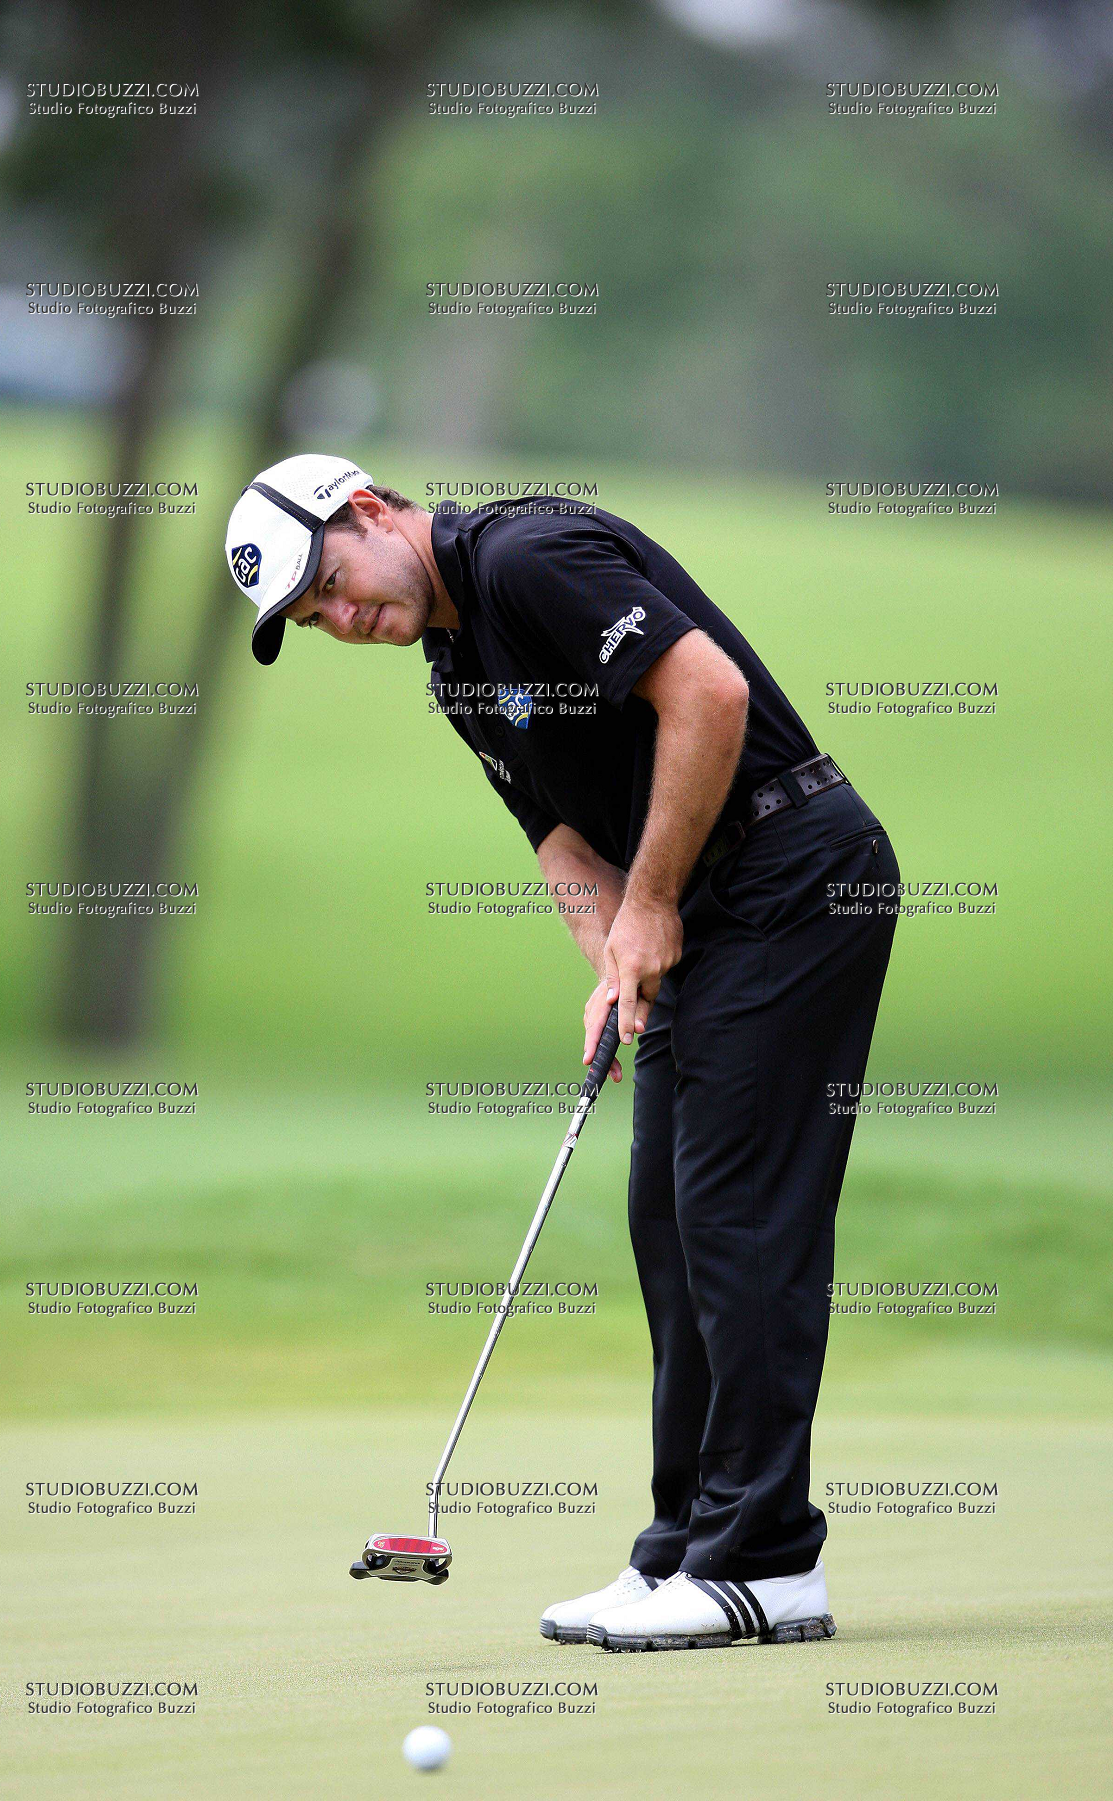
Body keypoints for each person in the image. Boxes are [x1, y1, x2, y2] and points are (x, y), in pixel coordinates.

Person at [225, 454, 900, 1652]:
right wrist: (612, 957)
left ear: (368, 510)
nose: (340, 619)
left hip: (795, 873)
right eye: (313, 619)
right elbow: (561, 846)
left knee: (737, 1213)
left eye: (328, 583)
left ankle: (765, 1561)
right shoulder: (456, 672)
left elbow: (708, 695)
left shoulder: (527, 559)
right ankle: (686, 1545)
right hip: (704, 906)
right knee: (667, 1221)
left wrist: (651, 908)